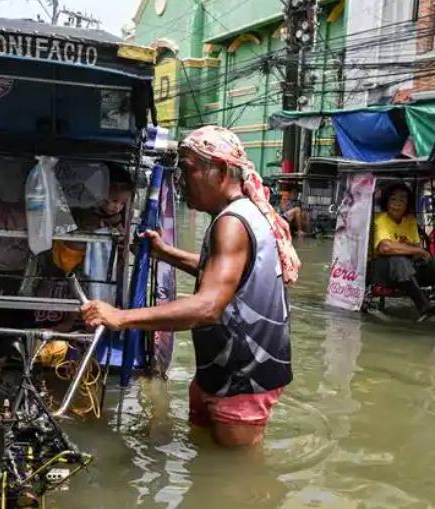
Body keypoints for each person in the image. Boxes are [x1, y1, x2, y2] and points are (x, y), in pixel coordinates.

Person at [81, 125, 300, 448]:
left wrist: (121, 317)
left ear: (221, 171)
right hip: (223, 369)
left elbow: (208, 307)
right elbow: (222, 273)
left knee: (234, 473)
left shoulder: (232, 223)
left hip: (243, 378)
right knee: (207, 455)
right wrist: (164, 253)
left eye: (187, 170)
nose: (181, 181)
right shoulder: (239, 214)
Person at [369, 182, 435, 315]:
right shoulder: (380, 219)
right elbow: (385, 248)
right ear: (386, 202)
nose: (397, 204)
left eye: (402, 200)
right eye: (393, 199)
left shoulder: (410, 220)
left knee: (432, 262)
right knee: (398, 260)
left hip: (407, 269)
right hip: (382, 270)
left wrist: (415, 251)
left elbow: (418, 251)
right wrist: (415, 250)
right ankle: (423, 304)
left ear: (407, 204)